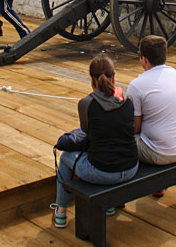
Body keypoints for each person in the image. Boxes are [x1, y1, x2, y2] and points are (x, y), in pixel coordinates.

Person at [51, 54, 139, 228]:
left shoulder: (86, 104)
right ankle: (110, 206)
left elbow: (87, 136)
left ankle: (61, 210)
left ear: (91, 78)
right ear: (114, 76)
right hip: (130, 167)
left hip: (103, 171)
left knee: (66, 157)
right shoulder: (128, 101)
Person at [126, 35, 176, 196]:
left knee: (120, 139)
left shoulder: (137, 85)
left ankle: (117, 191)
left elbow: (135, 128)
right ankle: (159, 185)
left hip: (159, 153)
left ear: (144, 59)